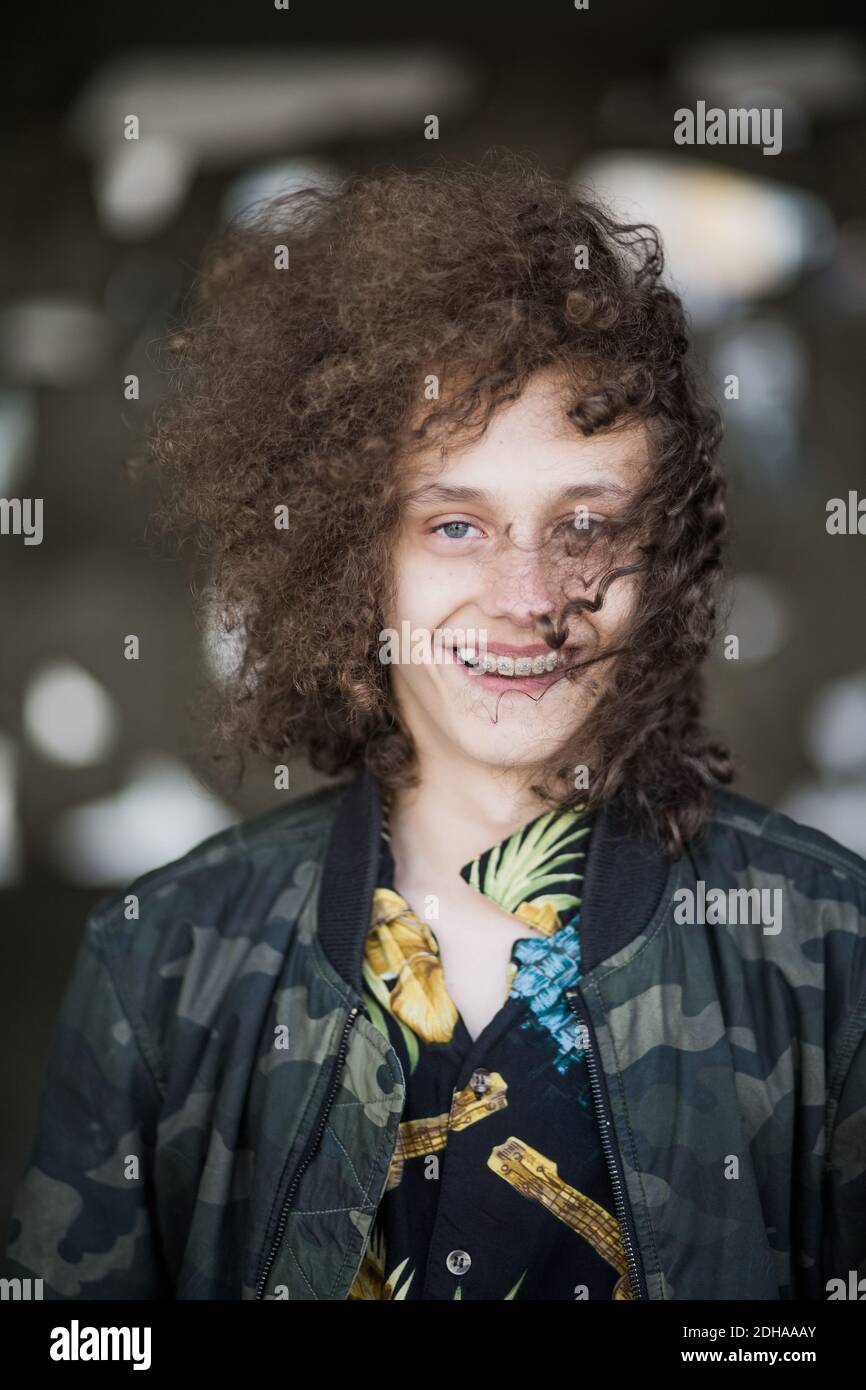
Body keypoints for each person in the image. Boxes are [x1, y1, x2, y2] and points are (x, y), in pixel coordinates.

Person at [5, 154, 865, 1301]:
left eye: (586, 525)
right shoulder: (161, 958)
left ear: (660, 564)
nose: (527, 594)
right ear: (353, 565)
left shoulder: (828, 948)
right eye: (456, 527)